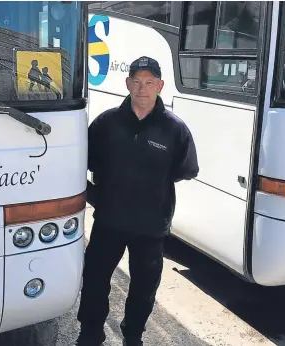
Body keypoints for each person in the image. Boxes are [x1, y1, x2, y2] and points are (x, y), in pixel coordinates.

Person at [73, 56, 199, 346]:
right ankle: (90, 333)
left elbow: (186, 170)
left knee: (143, 289)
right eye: (137, 81)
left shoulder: (175, 129)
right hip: (109, 221)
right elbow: (84, 163)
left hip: (151, 227)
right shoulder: (106, 123)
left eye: (150, 82)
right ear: (128, 83)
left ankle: (133, 336)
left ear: (160, 85)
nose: (142, 88)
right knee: (94, 281)